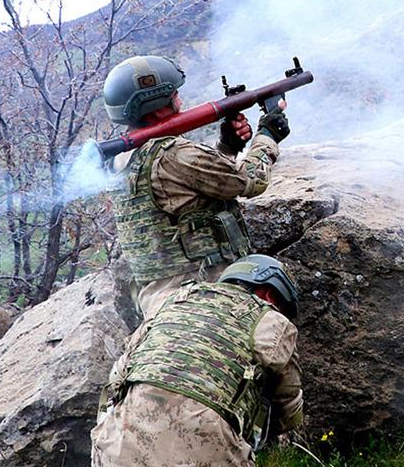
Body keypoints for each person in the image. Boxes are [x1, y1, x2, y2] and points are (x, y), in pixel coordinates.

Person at [103, 55, 292, 318]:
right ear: (157, 106)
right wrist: (268, 135)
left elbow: (189, 190)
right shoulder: (172, 153)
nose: (180, 101)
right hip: (205, 292)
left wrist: (228, 147)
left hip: (160, 300)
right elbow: (250, 180)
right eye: (174, 94)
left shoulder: (121, 158)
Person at [91, 254, 303, 467]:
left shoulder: (174, 298)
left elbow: (118, 376)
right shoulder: (274, 322)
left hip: (119, 446)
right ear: (269, 294)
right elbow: (288, 411)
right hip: (208, 451)